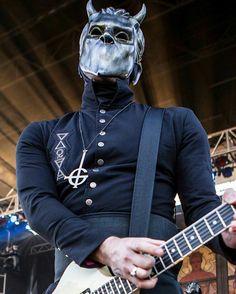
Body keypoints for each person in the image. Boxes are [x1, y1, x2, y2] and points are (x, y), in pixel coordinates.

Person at [16, 1, 236, 293]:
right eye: (97, 32)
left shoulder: (177, 123)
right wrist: (104, 248)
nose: (107, 40)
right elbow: (38, 206)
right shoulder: (40, 135)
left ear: (137, 66)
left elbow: (202, 208)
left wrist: (229, 234)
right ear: (80, 54)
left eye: (122, 36)